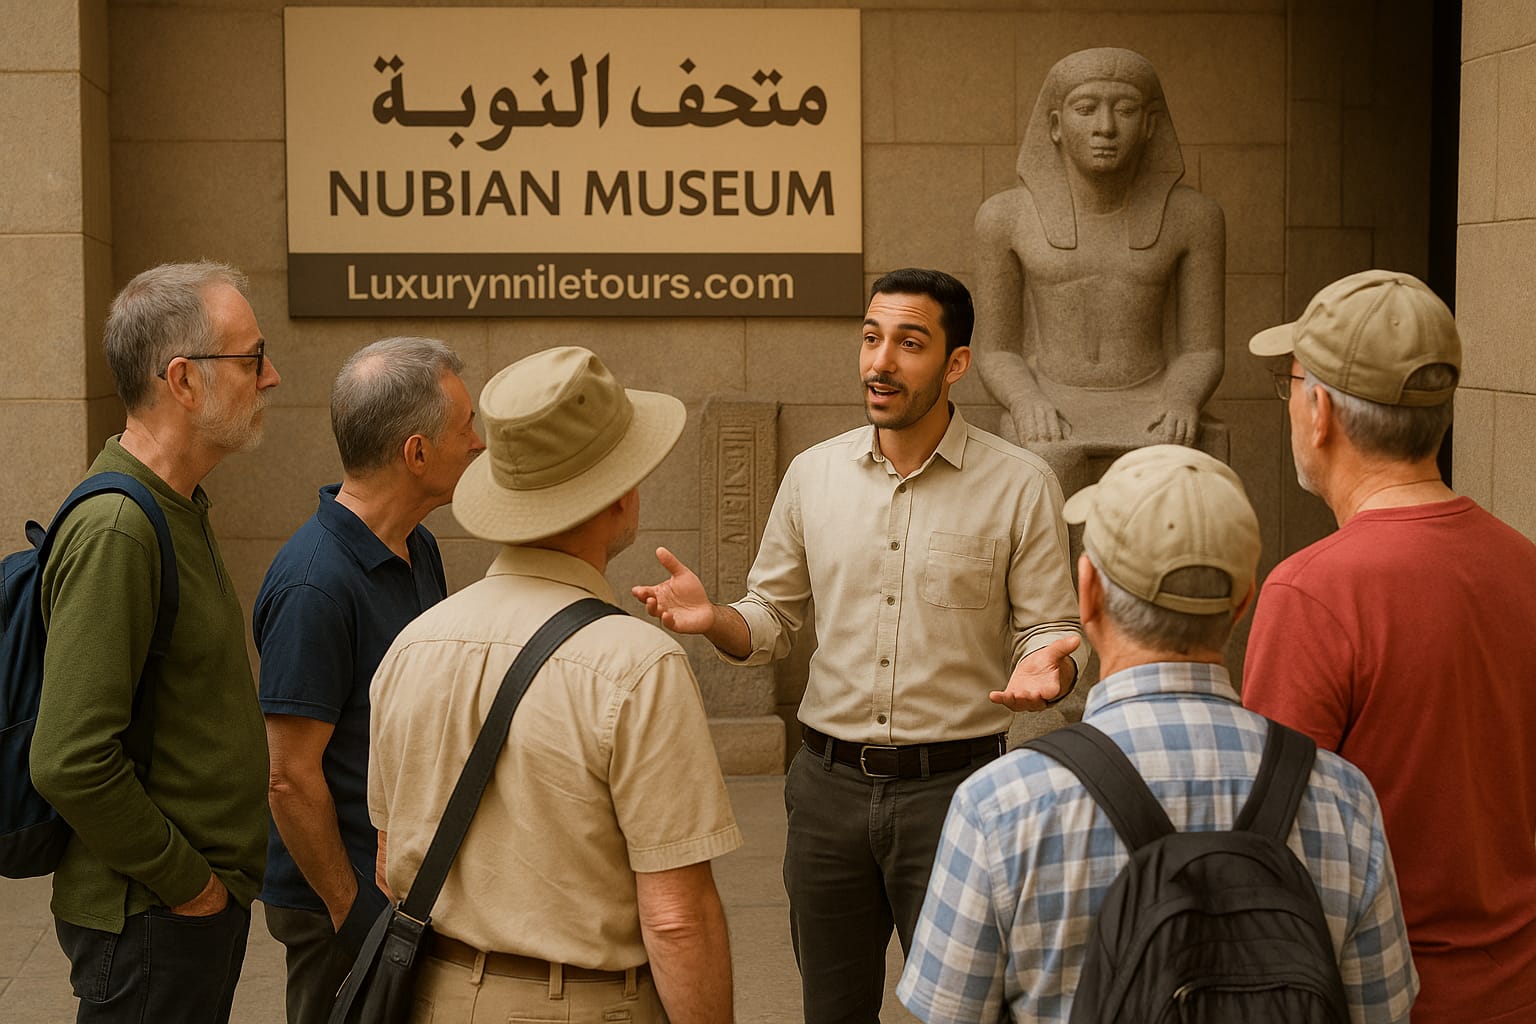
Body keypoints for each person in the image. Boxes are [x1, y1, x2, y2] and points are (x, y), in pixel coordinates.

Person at [633, 267, 1087, 1023]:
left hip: (958, 793)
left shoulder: (1020, 484)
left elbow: (1048, 630)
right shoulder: (812, 475)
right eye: (872, 338)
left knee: (971, 1013)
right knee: (832, 1010)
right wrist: (714, 619)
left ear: (956, 363)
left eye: (910, 343)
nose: (881, 362)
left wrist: (1051, 666)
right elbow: (770, 618)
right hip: (826, 793)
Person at [897, 444, 1418, 1024]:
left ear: (1088, 592)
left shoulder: (1001, 804)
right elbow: (1383, 1013)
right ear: (1243, 601)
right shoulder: (1343, 799)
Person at [369, 346, 741, 1024]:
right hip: (585, 1003)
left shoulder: (411, 645)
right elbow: (677, 918)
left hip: (428, 995)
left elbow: (389, 858)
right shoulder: (638, 665)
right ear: (620, 492)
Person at [1241, 268, 1536, 1024]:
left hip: (1378, 997)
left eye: (1291, 383)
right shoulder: (1524, 563)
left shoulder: (1311, 591)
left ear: (1321, 413)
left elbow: (1268, 848)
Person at [29, 261, 282, 1022]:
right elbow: (69, 760)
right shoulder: (120, 527)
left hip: (182, 913)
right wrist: (189, 886)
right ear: (183, 380)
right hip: (153, 918)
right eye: (252, 358)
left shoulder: (175, 504)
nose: (271, 377)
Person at [253, 336, 485, 1024]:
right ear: (416, 453)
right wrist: (353, 914)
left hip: (403, 891)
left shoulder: (419, 546)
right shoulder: (314, 585)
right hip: (342, 908)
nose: (479, 444)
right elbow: (289, 779)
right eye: (466, 427)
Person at [971, 47, 1225, 497]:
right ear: (1055, 125)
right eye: (1086, 109)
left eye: (1124, 110)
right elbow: (996, 351)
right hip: (1052, 397)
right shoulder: (1005, 218)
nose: (1105, 127)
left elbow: (1203, 349)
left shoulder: (1193, 217)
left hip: (1152, 398)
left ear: (1149, 125)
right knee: (1052, 462)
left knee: (1166, 477)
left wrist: (1182, 397)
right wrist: (1026, 400)